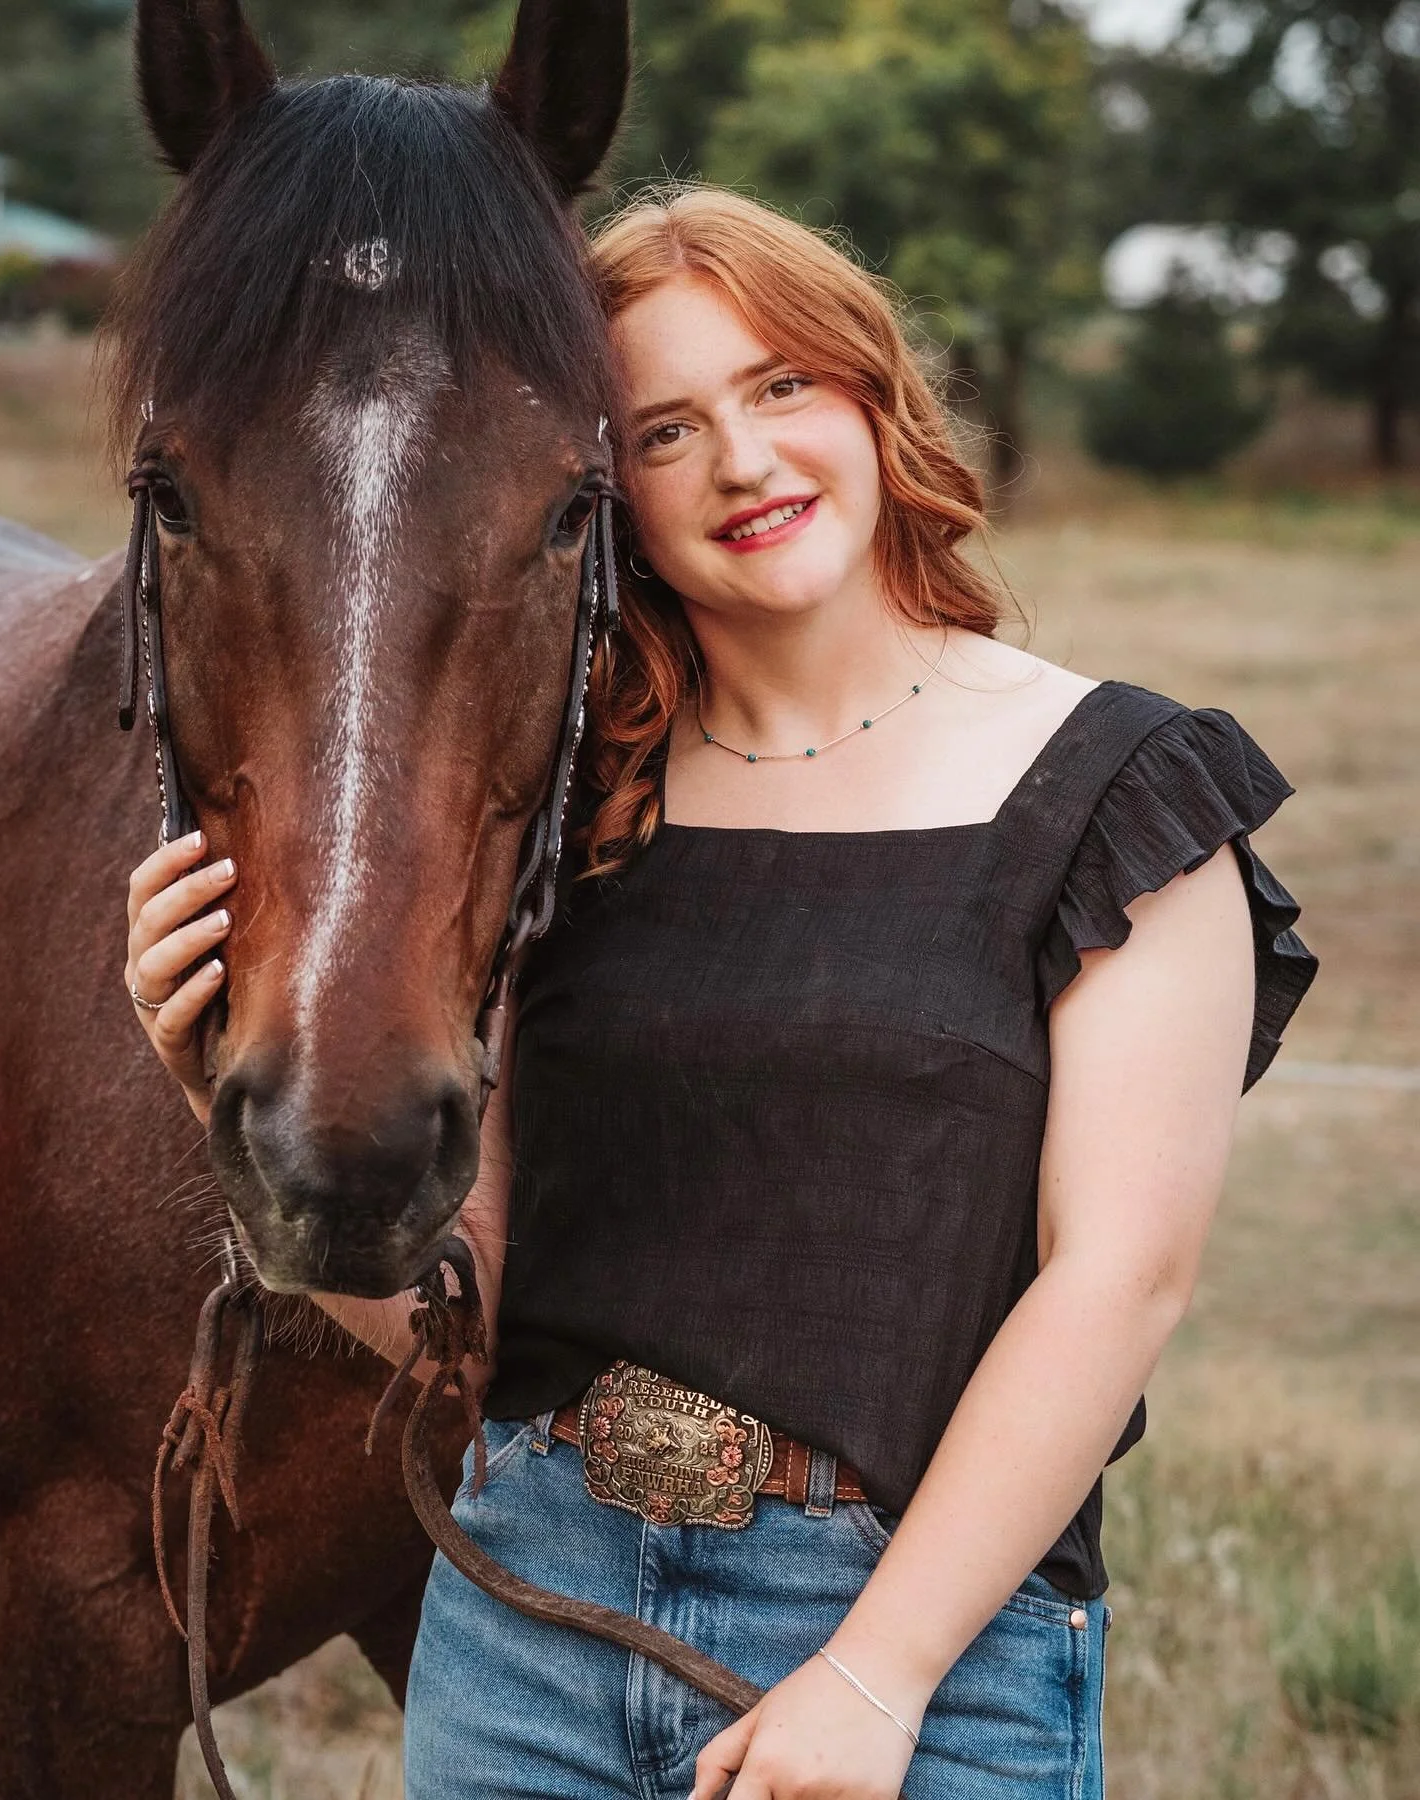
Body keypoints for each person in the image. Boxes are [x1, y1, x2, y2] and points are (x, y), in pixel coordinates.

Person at [123, 185, 1318, 1800]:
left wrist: (875, 1680)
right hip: (529, 1624)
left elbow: (1119, 1280)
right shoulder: (579, 816)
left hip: (917, 1655)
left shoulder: (1119, 792)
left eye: (780, 388)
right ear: (607, 493)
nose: (743, 463)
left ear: (872, 398)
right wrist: (219, 1097)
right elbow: (462, 1330)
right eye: (667, 430)